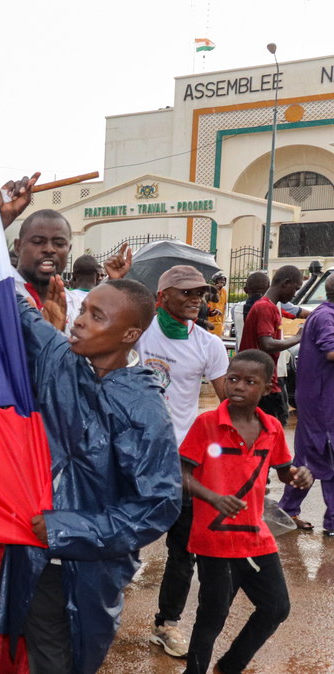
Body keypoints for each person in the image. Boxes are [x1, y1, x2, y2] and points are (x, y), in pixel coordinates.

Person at [0, 277, 182, 674]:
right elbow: (18, 312)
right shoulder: (62, 359)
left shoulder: (145, 409)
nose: (79, 321)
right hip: (36, 556)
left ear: (129, 334)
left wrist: (67, 528)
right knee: (48, 657)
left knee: (78, 657)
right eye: (83, 310)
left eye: (96, 316)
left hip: (93, 568)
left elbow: (158, 504)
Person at [180, 350, 312, 674]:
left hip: (255, 536)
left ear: (268, 388)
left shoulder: (271, 428)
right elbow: (180, 474)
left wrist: (299, 474)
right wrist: (212, 496)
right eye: (233, 378)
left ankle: (230, 666)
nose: (237, 385)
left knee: (276, 607)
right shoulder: (207, 423)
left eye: (249, 381)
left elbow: (283, 472)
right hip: (214, 538)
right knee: (213, 616)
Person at [135, 265, 229, 659]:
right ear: (162, 297)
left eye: (201, 293)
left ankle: (166, 623)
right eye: (187, 292)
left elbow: (229, 405)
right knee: (121, 539)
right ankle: (95, 611)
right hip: (136, 456)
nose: (196, 299)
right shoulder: (139, 333)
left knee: (181, 548)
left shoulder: (209, 345)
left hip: (181, 463)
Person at [278, 273, 334, 535]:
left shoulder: (324, 313)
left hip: (324, 398)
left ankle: (327, 519)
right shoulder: (325, 316)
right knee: (312, 455)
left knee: (323, 457)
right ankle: (288, 510)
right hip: (320, 400)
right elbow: (331, 351)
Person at [238, 266, 303, 428]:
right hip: (264, 385)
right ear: (286, 283)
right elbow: (266, 344)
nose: (295, 294)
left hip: (265, 382)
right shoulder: (265, 308)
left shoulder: (269, 307)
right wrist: (298, 337)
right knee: (272, 435)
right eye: (295, 288)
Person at [205, 272, 227, 336]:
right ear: (215, 280)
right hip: (210, 321)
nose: (222, 281)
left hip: (219, 322)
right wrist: (215, 290)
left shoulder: (224, 291)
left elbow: (224, 306)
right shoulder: (210, 289)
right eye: (220, 280)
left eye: (223, 280)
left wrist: (223, 321)